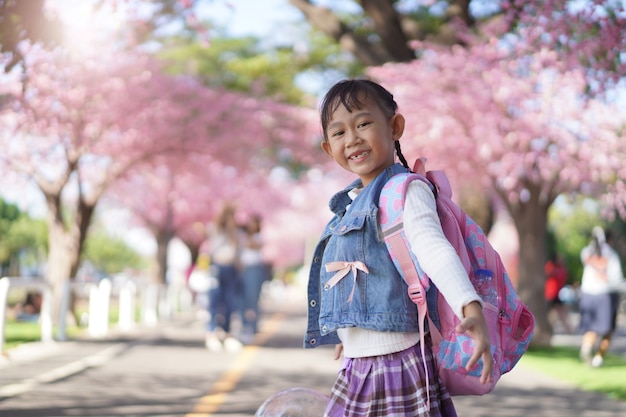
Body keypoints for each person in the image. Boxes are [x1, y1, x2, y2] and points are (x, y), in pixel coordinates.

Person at [304, 79, 493, 417]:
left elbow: (433, 249)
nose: (353, 139)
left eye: (363, 124)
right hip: (358, 366)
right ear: (328, 148)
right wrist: (351, 331)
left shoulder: (404, 190)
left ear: (395, 126)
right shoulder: (347, 206)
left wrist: (469, 306)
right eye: (339, 133)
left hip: (395, 367)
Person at [578, 226, 625, 367]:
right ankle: (598, 358)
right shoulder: (611, 255)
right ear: (609, 240)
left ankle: (586, 347)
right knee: (607, 330)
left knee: (591, 328)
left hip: (587, 294)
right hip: (606, 296)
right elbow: (616, 281)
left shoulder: (587, 253)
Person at [204, 203, 243, 352]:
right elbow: (212, 245)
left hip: (231, 269)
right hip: (217, 267)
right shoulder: (214, 229)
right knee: (214, 301)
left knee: (229, 302)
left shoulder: (236, 233)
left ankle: (227, 334)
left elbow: (238, 249)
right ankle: (211, 333)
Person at [239, 213, 271, 343]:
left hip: (254, 269)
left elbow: (254, 245)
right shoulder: (244, 236)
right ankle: (245, 326)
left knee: (252, 299)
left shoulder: (258, 237)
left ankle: (252, 328)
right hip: (243, 269)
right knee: (242, 300)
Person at [544, 253, 572, 333]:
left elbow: (564, 278)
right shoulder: (551, 266)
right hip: (549, 293)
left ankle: (568, 329)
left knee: (561, 312)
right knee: (551, 313)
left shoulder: (562, 269)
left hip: (556, 294)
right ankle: (550, 328)